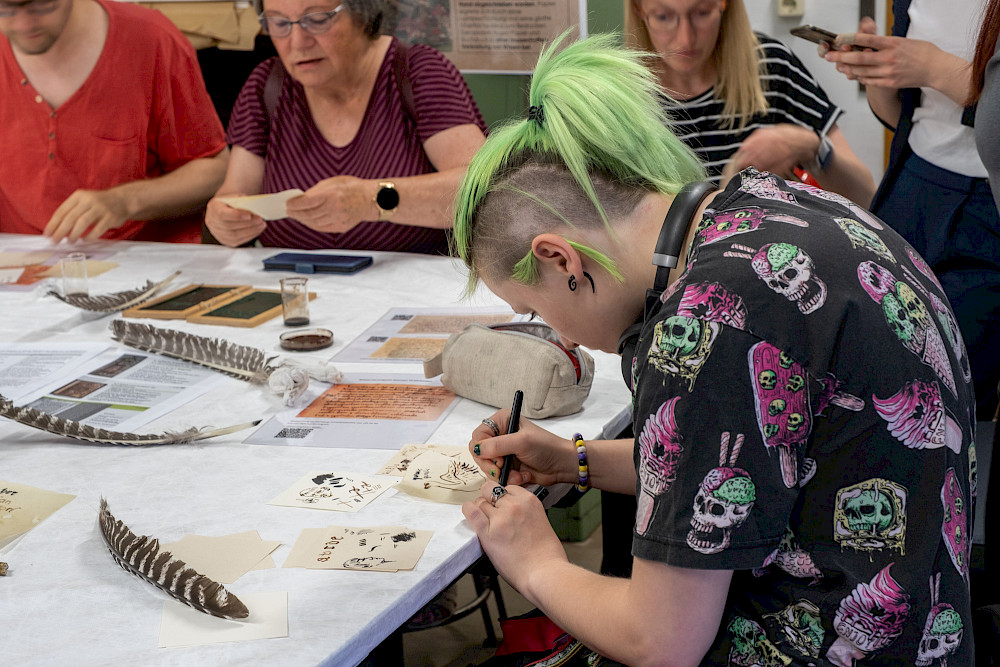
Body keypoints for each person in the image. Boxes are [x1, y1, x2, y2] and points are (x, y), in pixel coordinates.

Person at [457, 34, 975, 666]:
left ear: (561, 259)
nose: (560, 336)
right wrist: (574, 460)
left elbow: (660, 642)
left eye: (537, 311)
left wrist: (534, 563)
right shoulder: (767, 209)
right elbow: (740, 455)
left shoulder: (708, 323)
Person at [822, 1, 1000, 423]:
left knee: (946, 393)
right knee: (870, 365)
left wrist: (933, 67)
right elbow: (907, 116)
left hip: (987, 203)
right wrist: (880, 72)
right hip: (911, 183)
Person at [205, 0, 487, 254]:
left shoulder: (417, 71)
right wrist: (224, 219)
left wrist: (371, 200)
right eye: (279, 23)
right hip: (295, 286)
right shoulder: (266, 84)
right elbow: (234, 194)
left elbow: (479, 188)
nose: (298, 42)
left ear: (362, 15)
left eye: (317, 19)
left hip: (412, 287)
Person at [0, 0, 228, 243]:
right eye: (6, 9)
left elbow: (215, 170)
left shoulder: (149, 39)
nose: (24, 24)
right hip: (18, 258)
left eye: (42, 6)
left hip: (142, 258)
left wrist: (125, 201)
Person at [623, 0, 875, 206]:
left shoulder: (771, 67)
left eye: (702, 12)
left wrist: (811, 147)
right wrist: (725, 199)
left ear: (724, 4)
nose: (685, 38)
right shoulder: (624, 97)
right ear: (638, 9)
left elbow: (865, 197)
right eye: (663, 16)